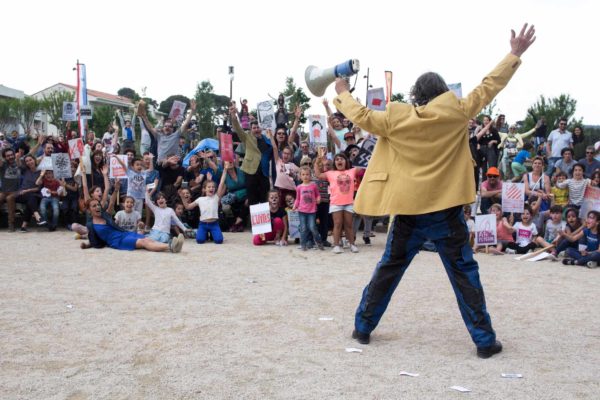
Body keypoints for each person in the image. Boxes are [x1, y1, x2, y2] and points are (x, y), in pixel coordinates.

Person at [333, 23, 536, 358]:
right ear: (443, 92)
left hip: (409, 211)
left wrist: (342, 91)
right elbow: (489, 86)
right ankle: (484, 341)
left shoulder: (396, 117)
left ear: (416, 95)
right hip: (446, 211)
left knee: (388, 269)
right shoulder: (456, 110)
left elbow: (362, 116)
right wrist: (514, 54)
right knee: (464, 273)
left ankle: (363, 327)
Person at [81, 198, 184, 253]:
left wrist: (116, 189)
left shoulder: (105, 216)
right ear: (89, 210)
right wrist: (87, 245)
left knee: (148, 239)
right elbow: (94, 240)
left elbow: (111, 202)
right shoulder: (91, 225)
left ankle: (173, 245)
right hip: (118, 241)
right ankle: (170, 246)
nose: (98, 206)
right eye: (94, 206)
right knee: (143, 242)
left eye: (98, 204)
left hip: (124, 234)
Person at [313, 148, 360, 254]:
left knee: (348, 225)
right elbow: (318, 175)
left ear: (346, 161)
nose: (339, 160)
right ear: (334, 162)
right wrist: (317, 161)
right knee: (337, 224)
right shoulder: (330, 173)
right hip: (336, 203)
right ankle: (336, 245)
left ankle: (352, 244)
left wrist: (360, 154)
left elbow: (363, 167)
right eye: (337, 159)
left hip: (349, 203)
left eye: (342, 159)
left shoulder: (351, 171)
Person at [229, 105, 273, 206]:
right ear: (250, 129)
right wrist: (233, 115)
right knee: (252, 199)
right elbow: (237, 128)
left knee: (264, 198)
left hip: (264, 173)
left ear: (261, 128)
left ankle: (264, 221)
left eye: (258, 127)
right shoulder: (247, 137)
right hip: (250, 172)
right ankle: (253, 221)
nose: (256, 129)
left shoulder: (267, 138)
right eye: (254, 128)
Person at [180, 178, 225, 244]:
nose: (211, 188)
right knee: (200, 240)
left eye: (213, 187)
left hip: (214, 223)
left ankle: (212, 234)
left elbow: (221, 183)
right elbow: (188, 207)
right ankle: (206, 233)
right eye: (209, 187)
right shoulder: (200, 199)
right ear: (204, 189)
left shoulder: (216, 197)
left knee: (219, 240)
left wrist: (225, 170)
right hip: (203, 224)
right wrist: (182, 197)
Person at [293, 166, 324, 251]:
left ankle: (319, 242)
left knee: (312, 227)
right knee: (303, 228)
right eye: (303, 174)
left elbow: (318, 195)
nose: (305, 176)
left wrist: (318, 199)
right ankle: (303, 244)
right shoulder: (299, 187)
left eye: (307, 174)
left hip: (312, 211)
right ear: (300, 176)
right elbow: (298, 198)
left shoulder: (313, 185)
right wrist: (294, 206)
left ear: (310, 175)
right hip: (301, 211)